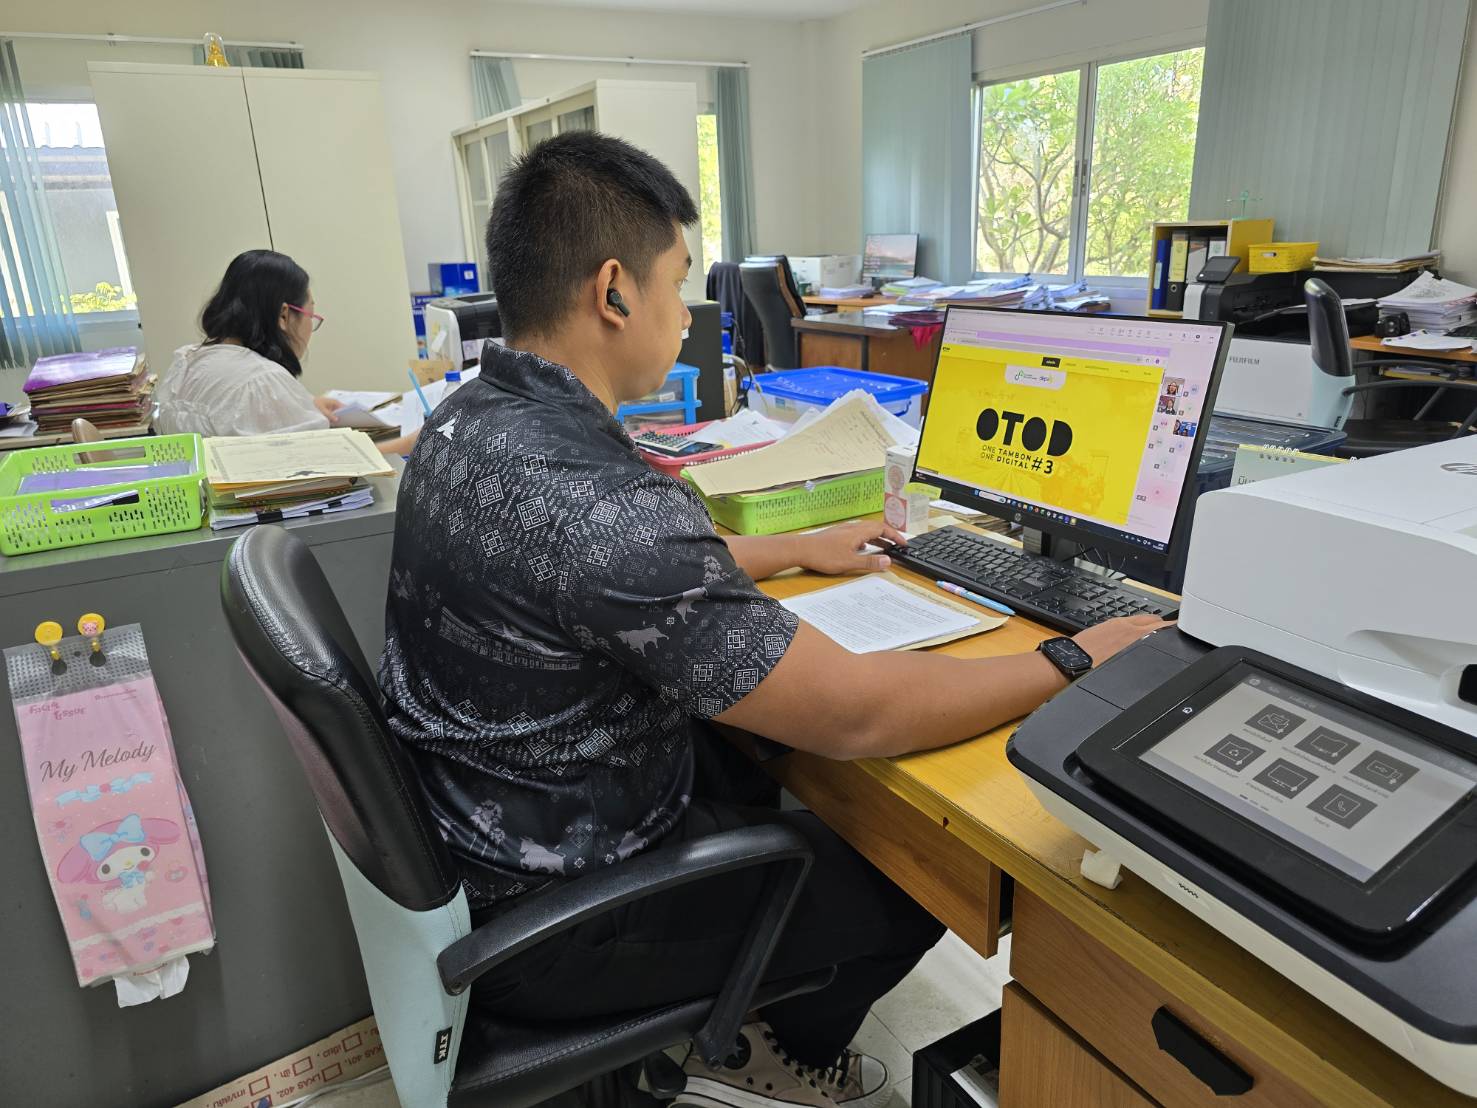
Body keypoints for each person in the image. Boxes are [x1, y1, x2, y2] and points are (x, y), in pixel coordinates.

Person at [379, 132, 1167, 1108]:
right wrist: (1071, 655)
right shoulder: (607, 502)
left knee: (777, 771)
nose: (685, 312)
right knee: (919, 867)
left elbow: (574, 579)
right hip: (562, 911)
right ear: (615, 292)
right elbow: (860, 714)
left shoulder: (465, 422)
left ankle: (749, 996)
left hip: (494, 830)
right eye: (677, 283)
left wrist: (786, 549)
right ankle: (769, 1048)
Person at [155, 249, 418, 455]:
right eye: (309, 314)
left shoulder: (188, 360)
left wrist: (303, 405)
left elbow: (226, 413)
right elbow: (333, 465)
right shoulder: (261, 380)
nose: (309, 326)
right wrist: (412, 444)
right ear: (283, 315)